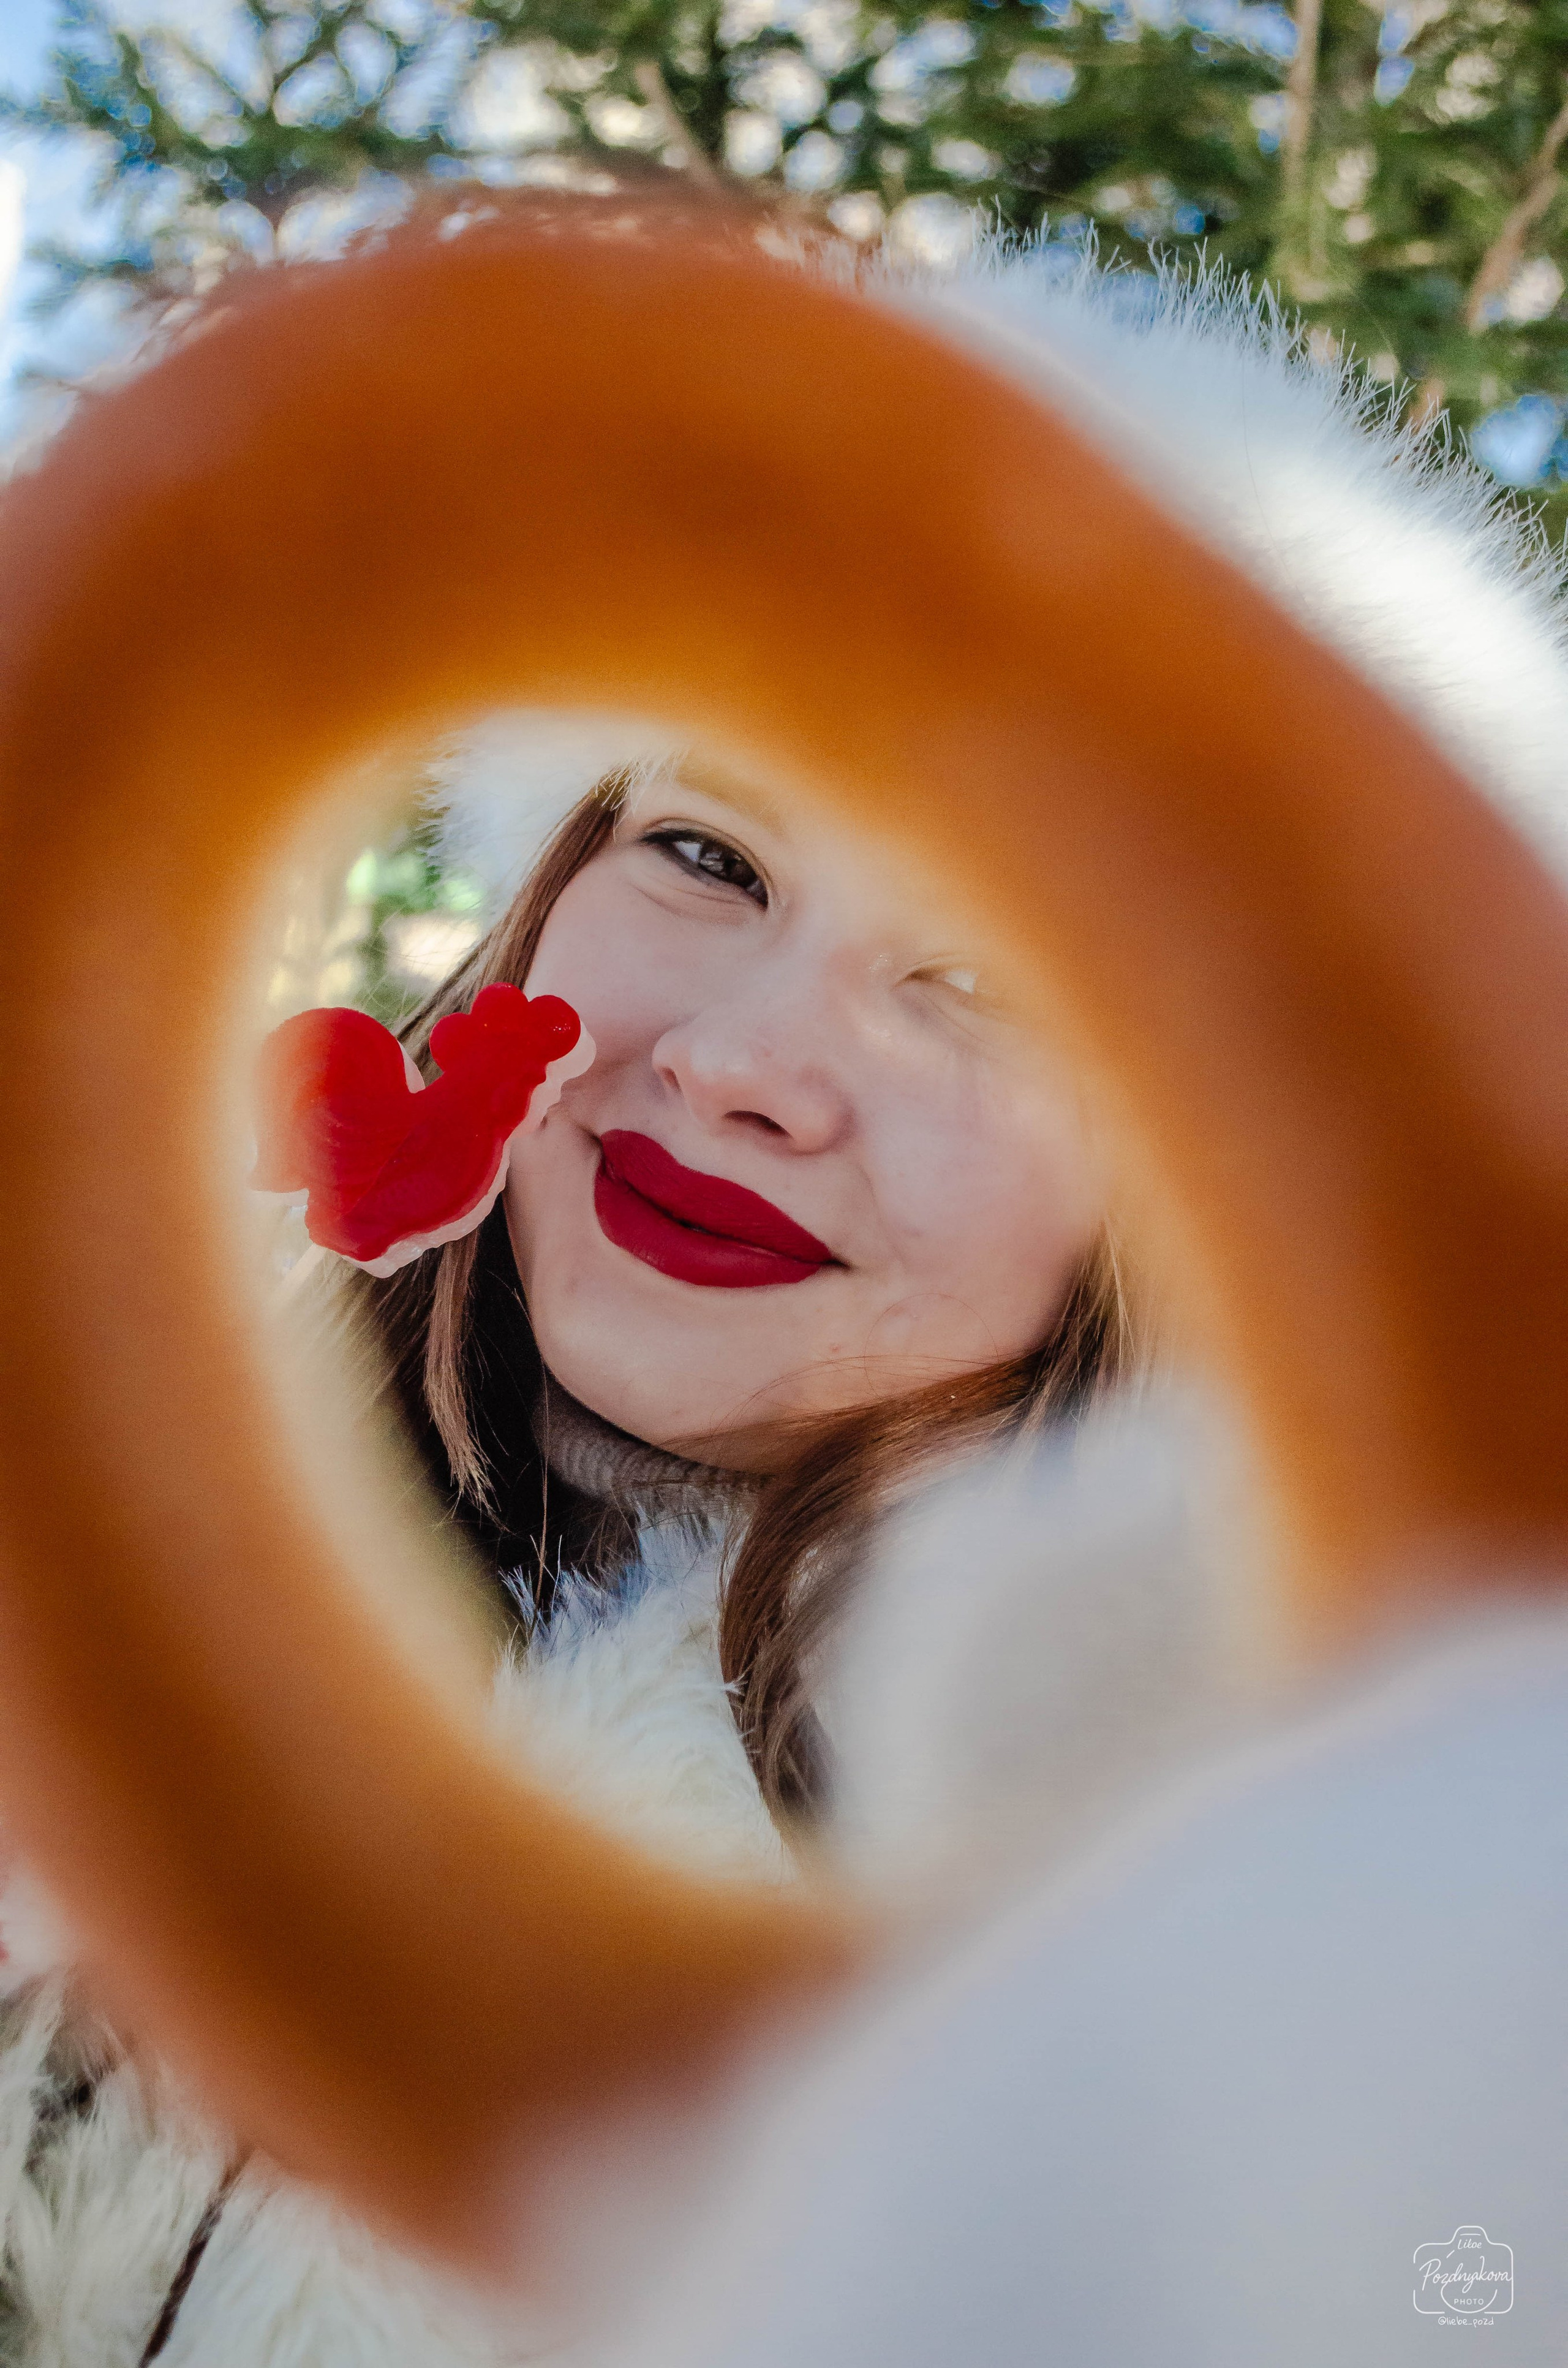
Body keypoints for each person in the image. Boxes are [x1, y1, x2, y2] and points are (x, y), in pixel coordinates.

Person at [0, 233, 1564, 2367]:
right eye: (711, 858)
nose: (743, 1064)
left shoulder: (1285, 1911)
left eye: (990, 981)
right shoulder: (76, 1515)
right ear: (549, 877)